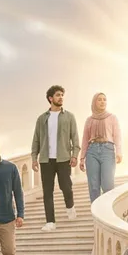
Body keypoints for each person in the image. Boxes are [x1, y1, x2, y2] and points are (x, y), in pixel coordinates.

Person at [31, 84, 81, 232]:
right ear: (50, 98)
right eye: (58, 95)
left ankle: (70, 206)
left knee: (66, 187)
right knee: (47, 191)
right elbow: (36, 139)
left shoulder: (69, 117)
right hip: (46, 160)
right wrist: (34, 158)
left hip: (63, 158)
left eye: (62, 95)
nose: (61, 97)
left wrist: (75, 155)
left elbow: (75, 138)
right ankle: (50, 222)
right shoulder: (41, 119)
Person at [80, 92, 123, 202]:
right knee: (94, 187)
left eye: (104, 99)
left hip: (107, 150)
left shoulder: (112, 117)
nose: (102, 101)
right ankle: (95, 211)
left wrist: (119, 152)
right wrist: (82, 158)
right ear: (94, 102)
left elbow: (117, 136)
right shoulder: (89, 120)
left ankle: (107, 209)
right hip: (92, 151)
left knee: (108, 185)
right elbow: (85, 139)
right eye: (99, 99)